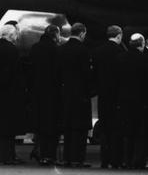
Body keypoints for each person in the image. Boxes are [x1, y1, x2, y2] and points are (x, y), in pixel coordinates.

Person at [59, 23, 92, 167]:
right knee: (80, 129)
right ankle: (78, 158)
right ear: (82, 33)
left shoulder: (61, 50)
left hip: (65, 94)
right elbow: (87, 75)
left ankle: (66, 157)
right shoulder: (84, 51)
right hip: (80, 95)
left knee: (67, 128)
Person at [29, 24, 62, 166]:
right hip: (52, 93)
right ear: (55, 34)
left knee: (40, 124)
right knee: (51, 125)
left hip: (36, 92)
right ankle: (49, 155)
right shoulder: (55, 49)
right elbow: (57, 72)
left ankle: (38, 151)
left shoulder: (35, 48)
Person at [93, 25, 125, 169]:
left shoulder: (98, 51)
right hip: (117, 95)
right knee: (116, 130)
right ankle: (116, 160)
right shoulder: (120, 51)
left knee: (104, 128)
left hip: (103, 95)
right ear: (119, 36)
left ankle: (104, 159)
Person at [118, 33, 148, 169]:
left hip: (124, 100)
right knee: (139, 134)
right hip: (140, 101)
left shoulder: (120, 58)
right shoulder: (144, 59)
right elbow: (147, 82)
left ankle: (126, 160)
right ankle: (138, 161)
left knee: (127, 132)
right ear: (142, 44)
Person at [0, 24, 27, 164]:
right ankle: (8, 156)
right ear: (11, 35)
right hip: (9, 94)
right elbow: (15, 75)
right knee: (8, 130)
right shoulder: (12, 50)